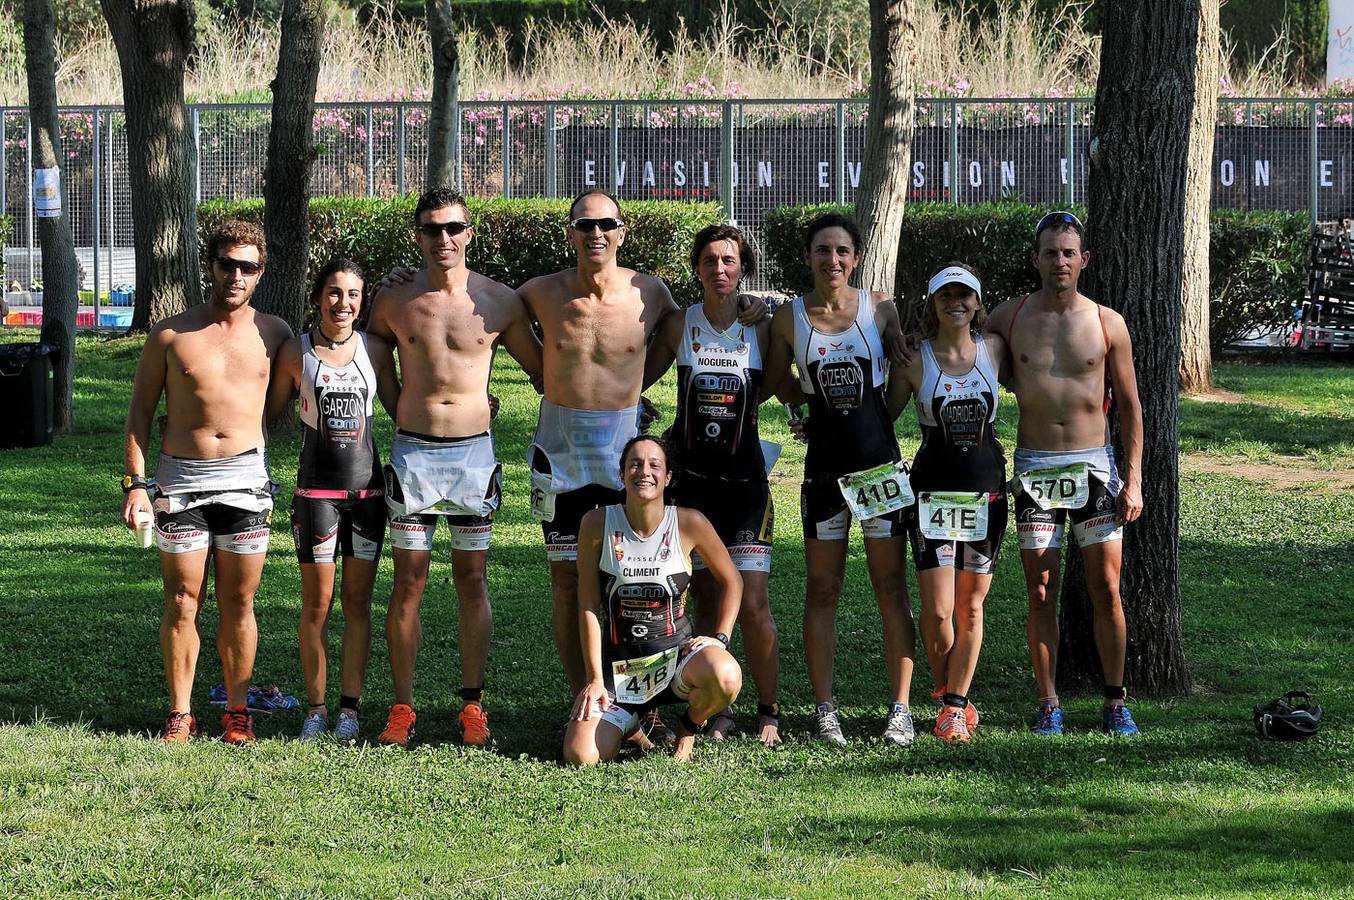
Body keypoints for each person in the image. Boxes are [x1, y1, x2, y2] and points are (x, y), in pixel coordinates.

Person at [365, 187, 544, 748]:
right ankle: (402, 706)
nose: (443, 239)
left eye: (453, 228)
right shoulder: (393, 299)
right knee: (409, 581)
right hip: (413, 454)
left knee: (472, 580)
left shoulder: (499, 300)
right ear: (417, 236)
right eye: (431, 229)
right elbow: (372, 353)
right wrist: (396, 405)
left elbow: (543, 368)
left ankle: (472, 705)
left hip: (473, 456)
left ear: (470, 233)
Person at [121, 219, 293, 744]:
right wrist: (134, 484)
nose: (236, 275)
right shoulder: (171, 334)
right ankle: (179, 713)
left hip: (245, 481)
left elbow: (323, 365)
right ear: (210, 266)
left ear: (260, 273)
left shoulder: (276, 334)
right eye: (227, 264)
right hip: (181, 481)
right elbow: (139, 416)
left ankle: (237, 712)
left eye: (247, 267)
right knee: (181, 600)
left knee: (240, 602)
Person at [518, 190, 682, 706]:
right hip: (559, 453)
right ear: (569, 232)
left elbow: (681, 331)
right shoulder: (539, 292)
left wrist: (638, 387)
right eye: (584, 225)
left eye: (606, 224)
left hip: (622, 452)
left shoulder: (649, 292)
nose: (596, 234)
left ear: (621, 231)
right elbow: (474, 306)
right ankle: (582, 698)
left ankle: (635, 699)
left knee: (630, 579)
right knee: (567, 581)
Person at [986, 210, 1144, 736]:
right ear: (1035, 259)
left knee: (1105, 586)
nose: (1059, 261)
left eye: (1068, 252)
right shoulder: (1006, 318)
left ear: (1084, 261)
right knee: (1040, 591)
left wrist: (1134, 478)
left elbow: (1131, 405)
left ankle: (1115, 701)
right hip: (1034, 468)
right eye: (1050, 252)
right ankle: (1049, 701)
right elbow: (956, 352)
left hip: (1095, 467)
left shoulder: (1107, 322)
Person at [762, 212, 917, 746]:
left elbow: (901, 370)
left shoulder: (880, 307)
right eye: (822, 250)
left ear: (855, 258)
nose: (832, 260)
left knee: (890, 588)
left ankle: (901, 710)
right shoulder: (789, 318)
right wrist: (800, 407)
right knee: (822, 588)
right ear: (809, 257)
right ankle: (826, 709)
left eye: (842, 251)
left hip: (879, 469)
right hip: (823, 473)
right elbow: (773, 376)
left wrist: (878, 421)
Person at [642, 223, 785, 746]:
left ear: (742, 267)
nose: (720, 270)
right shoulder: (682, 325)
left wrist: (767, 306)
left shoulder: (762, 327)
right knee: (702, 597)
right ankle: (715, 709)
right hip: (692, 488)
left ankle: (768, 711)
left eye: (729, 261)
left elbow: (784, 382)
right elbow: (636, 377)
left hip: (746, 486)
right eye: (710, 261)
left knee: (752, 602)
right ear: (696, 269)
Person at [266, 259, 400, 741]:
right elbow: (264, 414)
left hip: (367, 496)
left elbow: (403, 407)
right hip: (315, 497)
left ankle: (350, 710)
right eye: (334, 293)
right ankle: (316, 710)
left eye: (354, 295)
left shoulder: (376, 350)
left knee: (358, 604)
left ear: (363, 302)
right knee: (317, 607)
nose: (343, 304)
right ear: (318, 295)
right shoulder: (294, 351)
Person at [562, 435, 743, 765]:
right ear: (622, 474)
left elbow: (733, 581)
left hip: (677, 663)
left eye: (654, 465)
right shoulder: (596, 524)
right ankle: (630, 724)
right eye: (634, 464)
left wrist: (720, 639)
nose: (643, 471)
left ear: (668, 477)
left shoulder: (689, 522)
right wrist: (595, 681)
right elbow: (588, 605)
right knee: (580, 755)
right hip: (620, 673)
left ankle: (687, 728)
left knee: (727, 676)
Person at [888, 264, 1008, 744]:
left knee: (971, 608)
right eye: (946, 295)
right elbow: (884, 416)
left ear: (978, 303)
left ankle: (954, 708)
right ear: (933, 303)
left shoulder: (995, 349)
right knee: (939, 612)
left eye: (965, 295)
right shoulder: (916, 359)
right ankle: (946, 692)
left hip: (987, 493)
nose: (955, 302)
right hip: (931, 495)